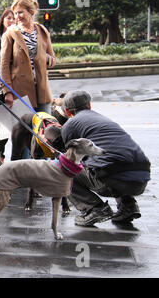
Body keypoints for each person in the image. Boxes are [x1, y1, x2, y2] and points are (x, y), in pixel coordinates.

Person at [61, 90, 151, 226]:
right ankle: (128, 205)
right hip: (142, 179)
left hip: (112, 178)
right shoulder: (104, 120)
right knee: (112, 162)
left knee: (63, 170)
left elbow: (70, 159)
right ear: (89, 105)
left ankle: (94, 208)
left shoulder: (70, 125)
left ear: (67, 112)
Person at [0, 0, 56, 113]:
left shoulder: (42, 31)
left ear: (30, 12)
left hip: (42, 90)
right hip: (20, 91)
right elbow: (4, 64)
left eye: (20, 12)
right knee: (25, 129)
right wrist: (7, 91)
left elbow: (52, 60)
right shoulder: (10, 33)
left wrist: (43, 58)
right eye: (15, 13)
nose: (17, 16)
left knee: (45, 126)